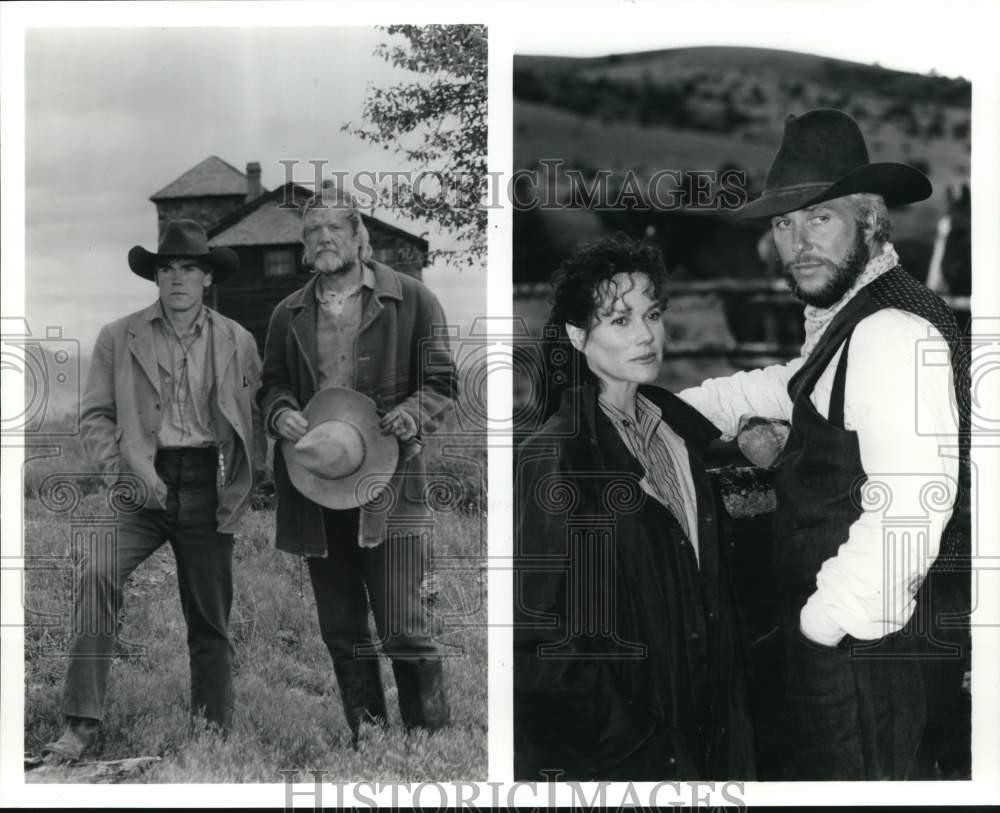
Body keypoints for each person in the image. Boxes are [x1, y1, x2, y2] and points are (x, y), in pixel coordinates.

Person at [679, 108, 970, 780]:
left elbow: (910, 509)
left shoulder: (891, 332)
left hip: (866, 649)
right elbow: (795, 386)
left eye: (820, 217)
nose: (799, 242)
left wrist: (822, 622)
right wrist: (663, 409)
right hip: (858, 645)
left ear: (869, 220)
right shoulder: (858, 318)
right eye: (785, 224)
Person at [514, 234, 756, 781]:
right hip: (628, 756)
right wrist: (637, 743)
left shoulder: (679, 438)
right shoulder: (555, 456)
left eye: (652, 314)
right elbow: (538, 639)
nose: (646, 335)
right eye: (620, 320)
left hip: (707, 734)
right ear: (578, 336)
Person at [42, 219, 263, 762]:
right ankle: (80, 725)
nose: (177, 277)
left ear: (207, 278)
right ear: (156, 277)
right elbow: (96, 416)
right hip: (138, 481)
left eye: (189, 268)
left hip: (207, 482)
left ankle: (211, 733)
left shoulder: (238, 340)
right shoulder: (119, 336)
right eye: (167, 268)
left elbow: (253, 417)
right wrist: (123, 472)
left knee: (210, 614)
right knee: (96, 572)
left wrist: (245, 480)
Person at [257, 185, 457, 744]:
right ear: (303, 246)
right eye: (312, 231)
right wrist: (281, 412)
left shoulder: (412, 300)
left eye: (333, 228)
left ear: (358, 235)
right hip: (316, 484)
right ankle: (369, 735)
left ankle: (427, 739)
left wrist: (412, 415)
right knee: (342, 628)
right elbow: (272, 384)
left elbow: (441, 382)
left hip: (391, 485)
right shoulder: (287, 314)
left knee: (404, 626)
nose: (322, 238)